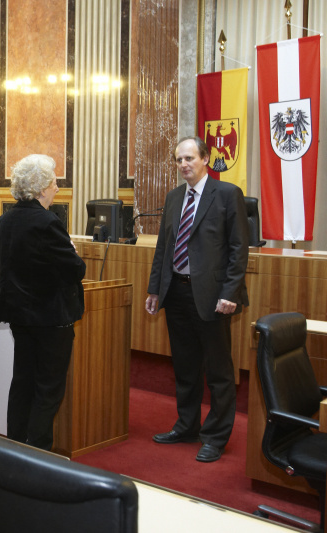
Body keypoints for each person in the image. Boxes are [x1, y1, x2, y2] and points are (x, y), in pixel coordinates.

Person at [145, 136, 249, 463]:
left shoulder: (228, 194)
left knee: (218, 371)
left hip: (213, 296)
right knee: (186, 367)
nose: (183, 165)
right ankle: (187, 425)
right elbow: (163, 248)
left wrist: (230, 293)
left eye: (189, 158)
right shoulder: (174, 197)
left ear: (205, 158)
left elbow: (238, 249)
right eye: (179, 160)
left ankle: (215, 437)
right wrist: (155, 289)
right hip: (176, 292)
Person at [0, 154, 86, 451]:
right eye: (55, 182)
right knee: (48, 388)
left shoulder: (4, 220)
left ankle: (15, 445)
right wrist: (71, 250)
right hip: (51, 318)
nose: (58, 188)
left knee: (22, 382)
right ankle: (39, 452)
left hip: (20, 316)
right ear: (41, 187)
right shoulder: (47, 222)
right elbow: (75, 270)